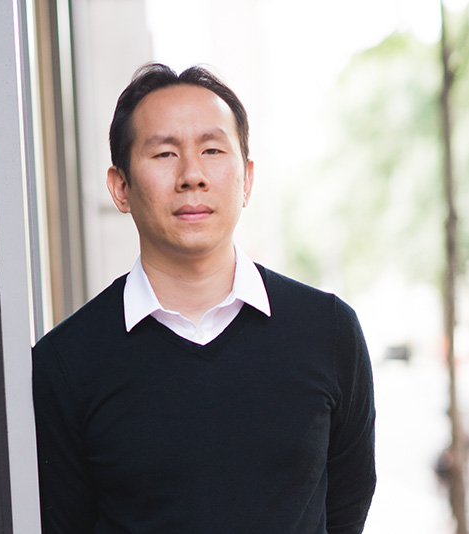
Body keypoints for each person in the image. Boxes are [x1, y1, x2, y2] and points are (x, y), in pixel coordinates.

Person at [32, 63, 376, 533]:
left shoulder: (327, 332)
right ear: (120, 187)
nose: (192, 175)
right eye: (164, 154)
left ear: (247, 179)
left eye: (213, 150)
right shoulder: (66, 362)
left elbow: (346, 503)